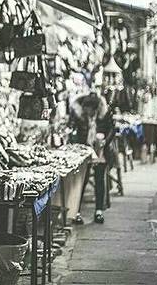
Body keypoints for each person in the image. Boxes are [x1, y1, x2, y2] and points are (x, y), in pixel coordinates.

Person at [68, 91, 111, 224]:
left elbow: (111, 129)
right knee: (82, 180)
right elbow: (72, 130)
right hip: (84, 151)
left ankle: (98, 211)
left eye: (90, 110)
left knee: (99, 179)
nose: (88, 112)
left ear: (96, 108)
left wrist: (105, 141)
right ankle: (76, 211)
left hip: (100, 151)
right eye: (85, 109)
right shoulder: (79, 114)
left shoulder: (104, 114)